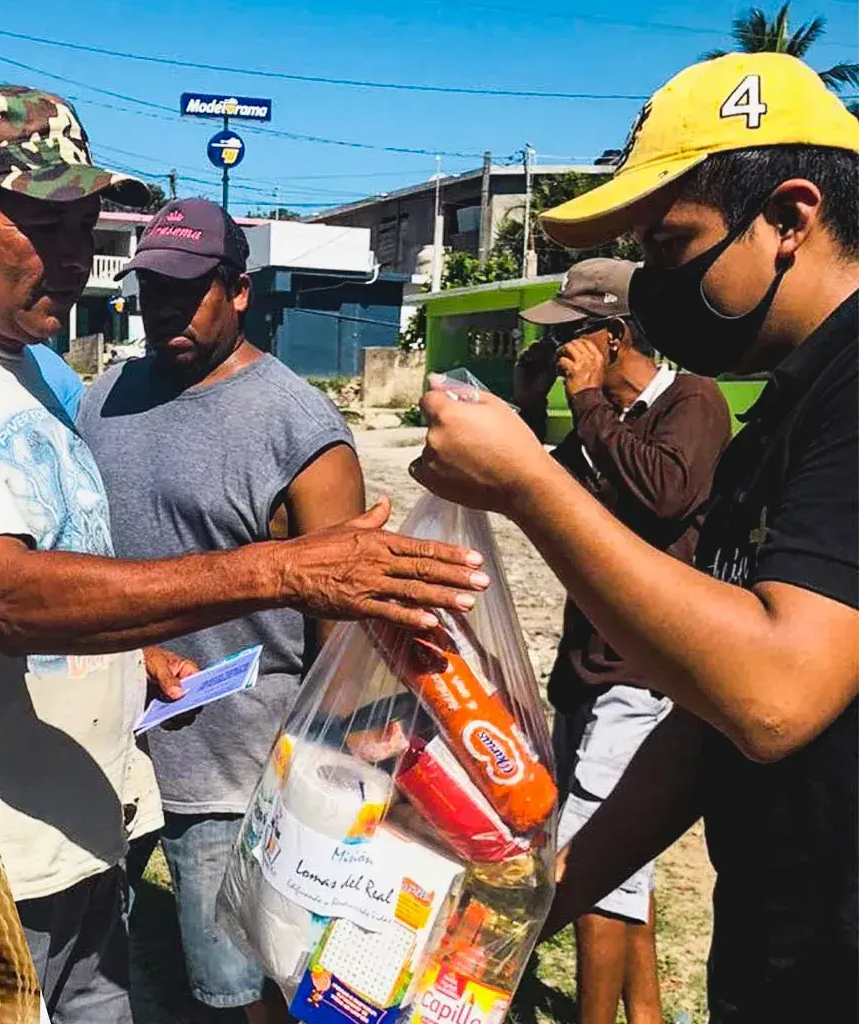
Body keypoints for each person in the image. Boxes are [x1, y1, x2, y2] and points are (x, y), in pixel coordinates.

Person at [0, 84, 490, 1023]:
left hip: (81, 836)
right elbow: (7, 594)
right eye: (43, 227)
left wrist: (133, 652)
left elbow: (57, 545)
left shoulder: (27, 362)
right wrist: (283, 569)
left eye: (84, 225)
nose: (76, 259)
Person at [412, 53, 859, 1024]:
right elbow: (706, 726)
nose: (652, 290)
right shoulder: (783, 413)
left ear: (790, 217)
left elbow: (777, 693)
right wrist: (538, 905)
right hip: (782, 962)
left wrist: (527, 482)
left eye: (669, 247)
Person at [77, 197, 358, 1024]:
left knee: (244, 997)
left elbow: (342, 627)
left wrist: (330, 772)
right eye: (151, 288)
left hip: (234, 767)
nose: (163, 305)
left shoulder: (299, 426)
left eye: (186, 288)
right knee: (106, 973)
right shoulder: (104, 398)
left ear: (238, 291)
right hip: (106, 747)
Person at [512, 258, 730, 1024]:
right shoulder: (608, 419)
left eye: (570, 338)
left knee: (591, 867)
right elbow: (548, 493)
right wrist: (534, 406)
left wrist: (584, 403)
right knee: (620, 866)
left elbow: (666, 494)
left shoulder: (691, 403)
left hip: (646, 673)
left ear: (612, 335)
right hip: (590, 667)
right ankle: (646, 1013)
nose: (561, 352)